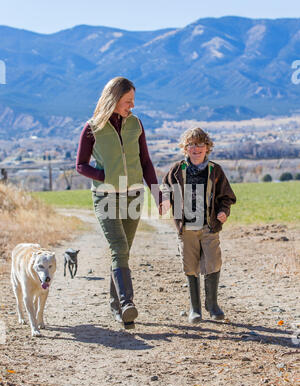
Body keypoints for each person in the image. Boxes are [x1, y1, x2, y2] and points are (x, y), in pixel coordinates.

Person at [76, 77, 162, 329]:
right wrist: (104, 176)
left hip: (134, 195)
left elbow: (145, 162)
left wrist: (158, 194)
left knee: (123, 251)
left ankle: (118, 308)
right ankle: (127, 303)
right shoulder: (92, 127)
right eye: (128, 101)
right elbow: (80, 165)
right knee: (119, 247)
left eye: (133, 101)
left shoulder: (136, 124)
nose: (131, 106)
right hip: (105, 196)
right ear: (113, 99)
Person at [160, 127, 236, 323]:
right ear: (185, 148)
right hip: (186, 228)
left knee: (213, 262)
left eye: (200, 144)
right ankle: (195, 309)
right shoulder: (177, 169)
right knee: (190, 265)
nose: (196, 148)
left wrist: (223, 212)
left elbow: (226, 197)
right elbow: (164, 187)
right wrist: (166, 200)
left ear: (207, 147)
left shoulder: (215, 170)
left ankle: (212, 305)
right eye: (191, 145)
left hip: (209, 226)